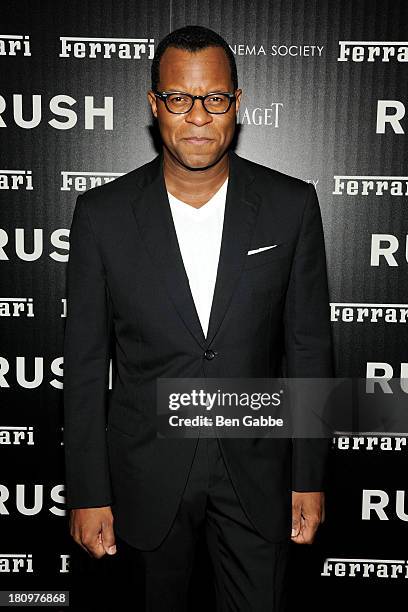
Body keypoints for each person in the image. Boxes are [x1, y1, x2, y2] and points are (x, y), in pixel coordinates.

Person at [63, 24, 334, 611]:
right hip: (144, 478)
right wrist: (87, 491)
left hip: (257, 474)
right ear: (154, 104)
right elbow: (84, 370)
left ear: (236, 104)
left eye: (214, 98)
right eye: (180, 99)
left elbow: (309, 350)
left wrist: (308, 477)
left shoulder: (292, 206)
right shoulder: (100, 216)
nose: (198, 117)